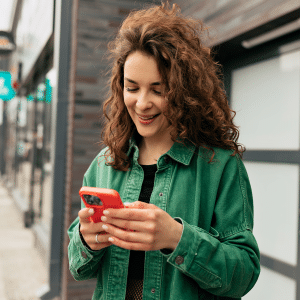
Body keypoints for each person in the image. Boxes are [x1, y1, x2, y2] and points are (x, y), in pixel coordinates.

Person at [67, 3, 260, 300]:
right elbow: (78, 267)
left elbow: (243, 274)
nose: (142, 103)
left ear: (184, 91)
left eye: (158, 90)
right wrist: (86, 241)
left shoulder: (220, 166)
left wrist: (176, 238)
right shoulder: (104, 164)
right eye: (132, 88)